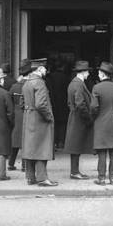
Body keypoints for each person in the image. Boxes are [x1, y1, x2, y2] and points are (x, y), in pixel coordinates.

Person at [19, 59, 57, 187]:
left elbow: (21, 103)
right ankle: (42, 178)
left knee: (30, 148)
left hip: (29, 118)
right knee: (42, 148)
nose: (46, 71)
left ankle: (30, 177)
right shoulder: (40, 83)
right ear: (40, 69)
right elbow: (41, 104)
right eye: (45, 68)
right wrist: (49, 117)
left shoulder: (26, 83)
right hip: (40, 119)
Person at [89, 61, 113, 186]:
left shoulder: (97, 88)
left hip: (101, 122)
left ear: (101, 73)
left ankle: (101, 178)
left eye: (99, 72)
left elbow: (94, 107)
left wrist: (95, 118)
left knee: (102, 152)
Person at [63, 59, 94, 180]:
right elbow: (80, 104)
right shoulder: (79, 84)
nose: (89, 74)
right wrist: (88, 118)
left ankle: (74, 171)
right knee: (76, 146)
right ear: (83, 72)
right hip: (79, 118)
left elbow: (70, 102)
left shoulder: (73, 83)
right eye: (87, 72)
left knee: (75, 145)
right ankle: (74, 172)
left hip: (75, 116)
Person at [8, 59, 30, 171]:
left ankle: (11, 163)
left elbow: (9, 100)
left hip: (16, 114)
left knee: (16, 139)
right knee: (26, 140)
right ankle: (25, 165)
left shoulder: (14, 86)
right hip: (27, 113)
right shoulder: (30, 85)